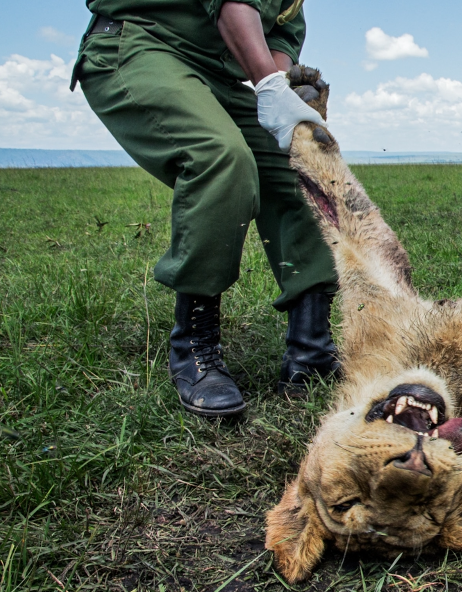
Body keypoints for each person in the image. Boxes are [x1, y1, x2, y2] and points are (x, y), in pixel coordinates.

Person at [71, 0, 339, 417]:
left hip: (221, 75)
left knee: (302, 167)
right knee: (221, 159)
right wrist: (267, 84)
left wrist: (280, 93)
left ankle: (311, 349)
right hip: (144, 43)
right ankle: (194, 350)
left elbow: (281, 37)